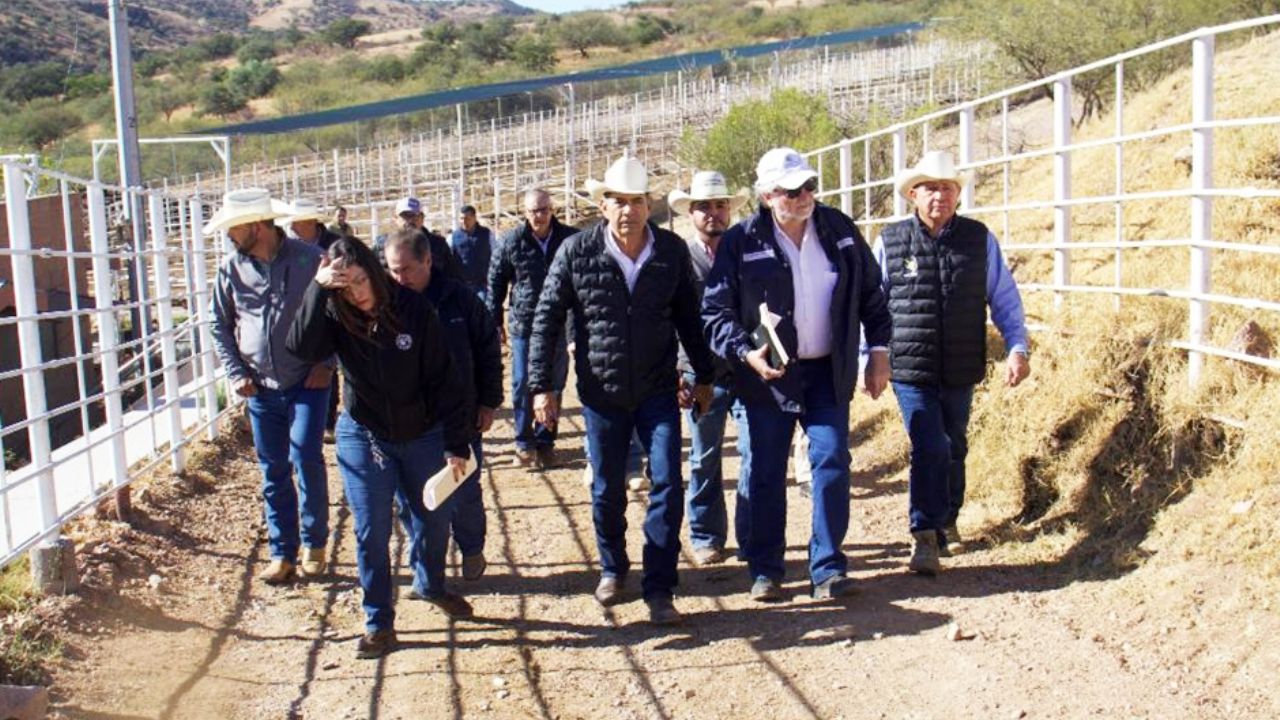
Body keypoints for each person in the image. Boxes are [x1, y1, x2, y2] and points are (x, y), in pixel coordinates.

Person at [529, 156, 715, 625]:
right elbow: (547, 318)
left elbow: (690, 319)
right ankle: (613, 567)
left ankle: (660, 585)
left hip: (657, 388)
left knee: (668, 485)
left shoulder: (670, 251)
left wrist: (704, 375)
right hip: (602, 391)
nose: (627, 210)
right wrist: (540, 387)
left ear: (648, 204)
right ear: (603, 204)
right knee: (607, 488)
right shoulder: (576, 252)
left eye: (636, 201)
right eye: (618, 201)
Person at [702, 148, 892, 602]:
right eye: (792, 190)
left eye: (809, 186)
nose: (804, 196)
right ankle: (766, 570)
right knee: (766, 470)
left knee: (830, 462)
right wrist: (745, 352)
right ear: (768, 195)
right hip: (768, 377)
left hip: (829, 371)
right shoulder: (742, 241)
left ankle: (827, 567)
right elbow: (714, 311)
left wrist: (879, 351)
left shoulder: (839, 231)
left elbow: (872, 293)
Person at [286, 236, 473, 659]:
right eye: (345, 284)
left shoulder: (413, 308)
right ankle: (378, 621)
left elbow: (445, 376)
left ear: (373, 271)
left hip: (422, 429)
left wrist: (455, 441)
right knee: (371, 529)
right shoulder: (333, 313)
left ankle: (430, 583)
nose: (357, 291)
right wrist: (317, 289)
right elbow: (300, 347)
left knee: (433, 519)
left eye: (360, 279)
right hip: (364, 433)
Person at [876, 150, 1031, 575]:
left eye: (947, 187)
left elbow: (1003, 297)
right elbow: (872, 304)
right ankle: (924, 534)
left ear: (958, 194)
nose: (939, 196)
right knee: (931, 443)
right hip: (909, 367)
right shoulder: (890, 242)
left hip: (961, 364)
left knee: (955, 444)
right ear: (912, 195)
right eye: (929, 188)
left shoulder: (979, 240)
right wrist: (868, 357)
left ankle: (948, 519)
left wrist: (1018, 346)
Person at [206, 188, 333, 586]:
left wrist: (327, 362)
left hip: (308, 382)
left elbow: (338, 310)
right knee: (273, 468)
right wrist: (236, 372)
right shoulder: (231, 269)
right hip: (259, 386)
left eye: (234, 227)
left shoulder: (310, 259)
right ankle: (283, 552)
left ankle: (314, 543)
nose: (228, 235)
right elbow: (218, 324)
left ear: (257, 226)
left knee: (306, 455)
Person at [384, 228, 502, 581]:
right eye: (392, 270)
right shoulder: (384, 303)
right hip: (408, 419)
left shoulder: (460, 300)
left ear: (428, 261)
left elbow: (487, 350)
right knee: (410, 497)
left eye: (406, 269)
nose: (399, 278)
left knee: (464, 491)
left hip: (460, 413)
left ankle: (471, 547)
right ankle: (425, 566)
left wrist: (488, 401)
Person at [667, 171, 751, 566]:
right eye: (705, 206)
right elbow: (667, 319)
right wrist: (678, 372)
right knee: (703, 457)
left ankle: (753, 536)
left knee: (755, 455)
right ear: (691, 212)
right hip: (701, 376)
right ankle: (705, 536)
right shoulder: (679, 259)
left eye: (720, 205)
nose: (714, 213)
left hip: (748, 371)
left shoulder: (747, 251)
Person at [487, 188, 575, 469]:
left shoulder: (569, 239)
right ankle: (524, 443)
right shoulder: (511, 241)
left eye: (544, 210)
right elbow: (496, 282)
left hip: (558, 324)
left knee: (555, 383)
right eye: (534, 211)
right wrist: (495, 322)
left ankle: (546, 440)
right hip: (525, 323)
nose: (539, 216)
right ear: (524, 213)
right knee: (523, 382)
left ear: (552, 210)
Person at [278, 197, 343, 441]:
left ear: (309, 221)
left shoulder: (334, 244)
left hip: (328, 310)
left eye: (296, 222)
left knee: (327, 363)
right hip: (301, 312)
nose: (292, 227)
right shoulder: (289, 249)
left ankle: (327, 421)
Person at [375, 196, 465, 282]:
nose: (410, 220)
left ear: (422, 218)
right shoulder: (382, 245)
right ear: (395, 219)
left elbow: (453, 276)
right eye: (405, 216)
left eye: (414, 215)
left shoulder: (438, 244)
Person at [449, 204, 493, 302]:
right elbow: (448, 261)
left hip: (482, 285)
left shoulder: (487, 234)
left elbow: (496, 256)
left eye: (467, 218)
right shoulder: (453, 237)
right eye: (461, 218)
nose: (464, 221)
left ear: (474, 217)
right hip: (461, 286)